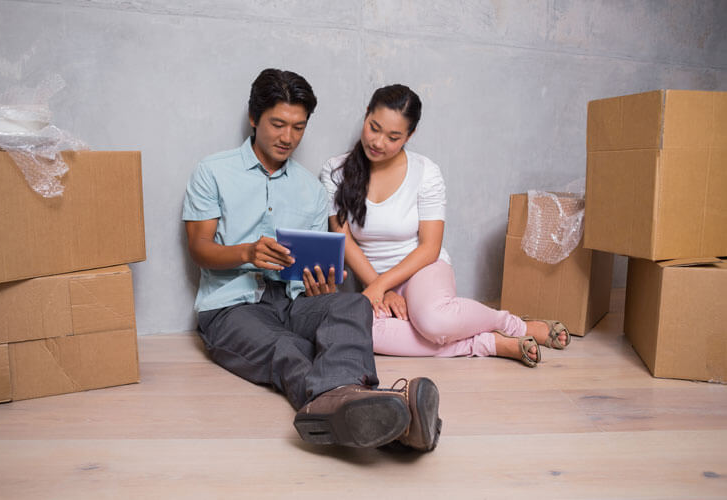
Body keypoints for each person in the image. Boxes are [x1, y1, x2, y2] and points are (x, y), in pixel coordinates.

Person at [182, 69, 441, 452]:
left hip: (291, 303)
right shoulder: (213, 171)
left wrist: (322, 287)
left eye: (299, 127)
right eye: (278, 124)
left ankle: (369, 413)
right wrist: (248, 253)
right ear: (254, 118)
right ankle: (396, 422)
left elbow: (317, 267)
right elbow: (199, 248)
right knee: (289, 348)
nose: (288, 137)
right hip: (231, 308)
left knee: (353, 303)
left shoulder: (310, 188)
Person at [320, 84, 570, 367]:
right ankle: (487, 343)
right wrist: (379, 288)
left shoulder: (426, 172)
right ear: (366, 115)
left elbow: (430, 247)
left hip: (422, 270)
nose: (378, 142)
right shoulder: (335, 170)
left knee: (434, 322)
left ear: (409, 135)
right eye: (373, 128)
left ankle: (513, 325)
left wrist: (382, 285)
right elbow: (344, 240)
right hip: (371, 278)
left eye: (393, 137)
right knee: (358, 332)